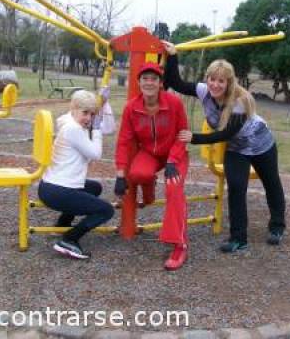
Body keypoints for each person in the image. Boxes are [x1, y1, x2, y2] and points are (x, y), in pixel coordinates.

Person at [162, 41, 286, 253]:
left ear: (229, 82)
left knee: (271, 182)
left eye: (221, 81)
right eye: (212, 79)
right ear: (207, 79)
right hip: (237, 149)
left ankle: (277, 227)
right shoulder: (204, 91)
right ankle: (239, 238)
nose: (215, 85)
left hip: (260, 144)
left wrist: (194, 138)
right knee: (237, 187)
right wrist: (172, 56)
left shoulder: (240, 100)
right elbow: (175, 82)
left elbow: (225, 134)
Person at [114, 62, 190, 271]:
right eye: (145, 78)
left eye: (154, 79)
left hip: (175, 154)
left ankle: (179, 245)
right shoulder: (132, 107)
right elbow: (123, 141)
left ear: (160, 83)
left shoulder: (174, 103)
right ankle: (148, 195)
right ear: (138, 82)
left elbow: (183, 134)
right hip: (150, 153)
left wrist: (173, 160)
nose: (149, 82)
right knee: (136, 173)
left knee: (174, 189)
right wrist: (120, 174)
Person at [38, 90, 114, 260]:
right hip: (58, 191)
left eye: (91, 114)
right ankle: (69, 239)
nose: (88, 118)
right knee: (106, 211)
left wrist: (102, 103)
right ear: (74, 109)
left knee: (95, 187)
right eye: (85, 113)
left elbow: (105, 129)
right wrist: (96, 130)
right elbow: (95, 153)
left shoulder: (67, 121)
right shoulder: (74, 129)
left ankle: (63, 223)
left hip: (51, 186)